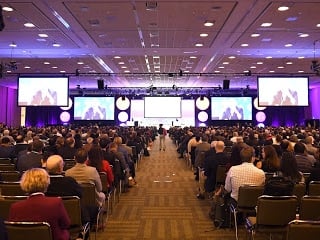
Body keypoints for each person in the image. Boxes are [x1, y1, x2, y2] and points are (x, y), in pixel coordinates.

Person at [8, 168, 71, 240]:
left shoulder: (15, 207)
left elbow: (13, 232)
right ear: (46, 182)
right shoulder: (56, 202)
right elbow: (66, 224)